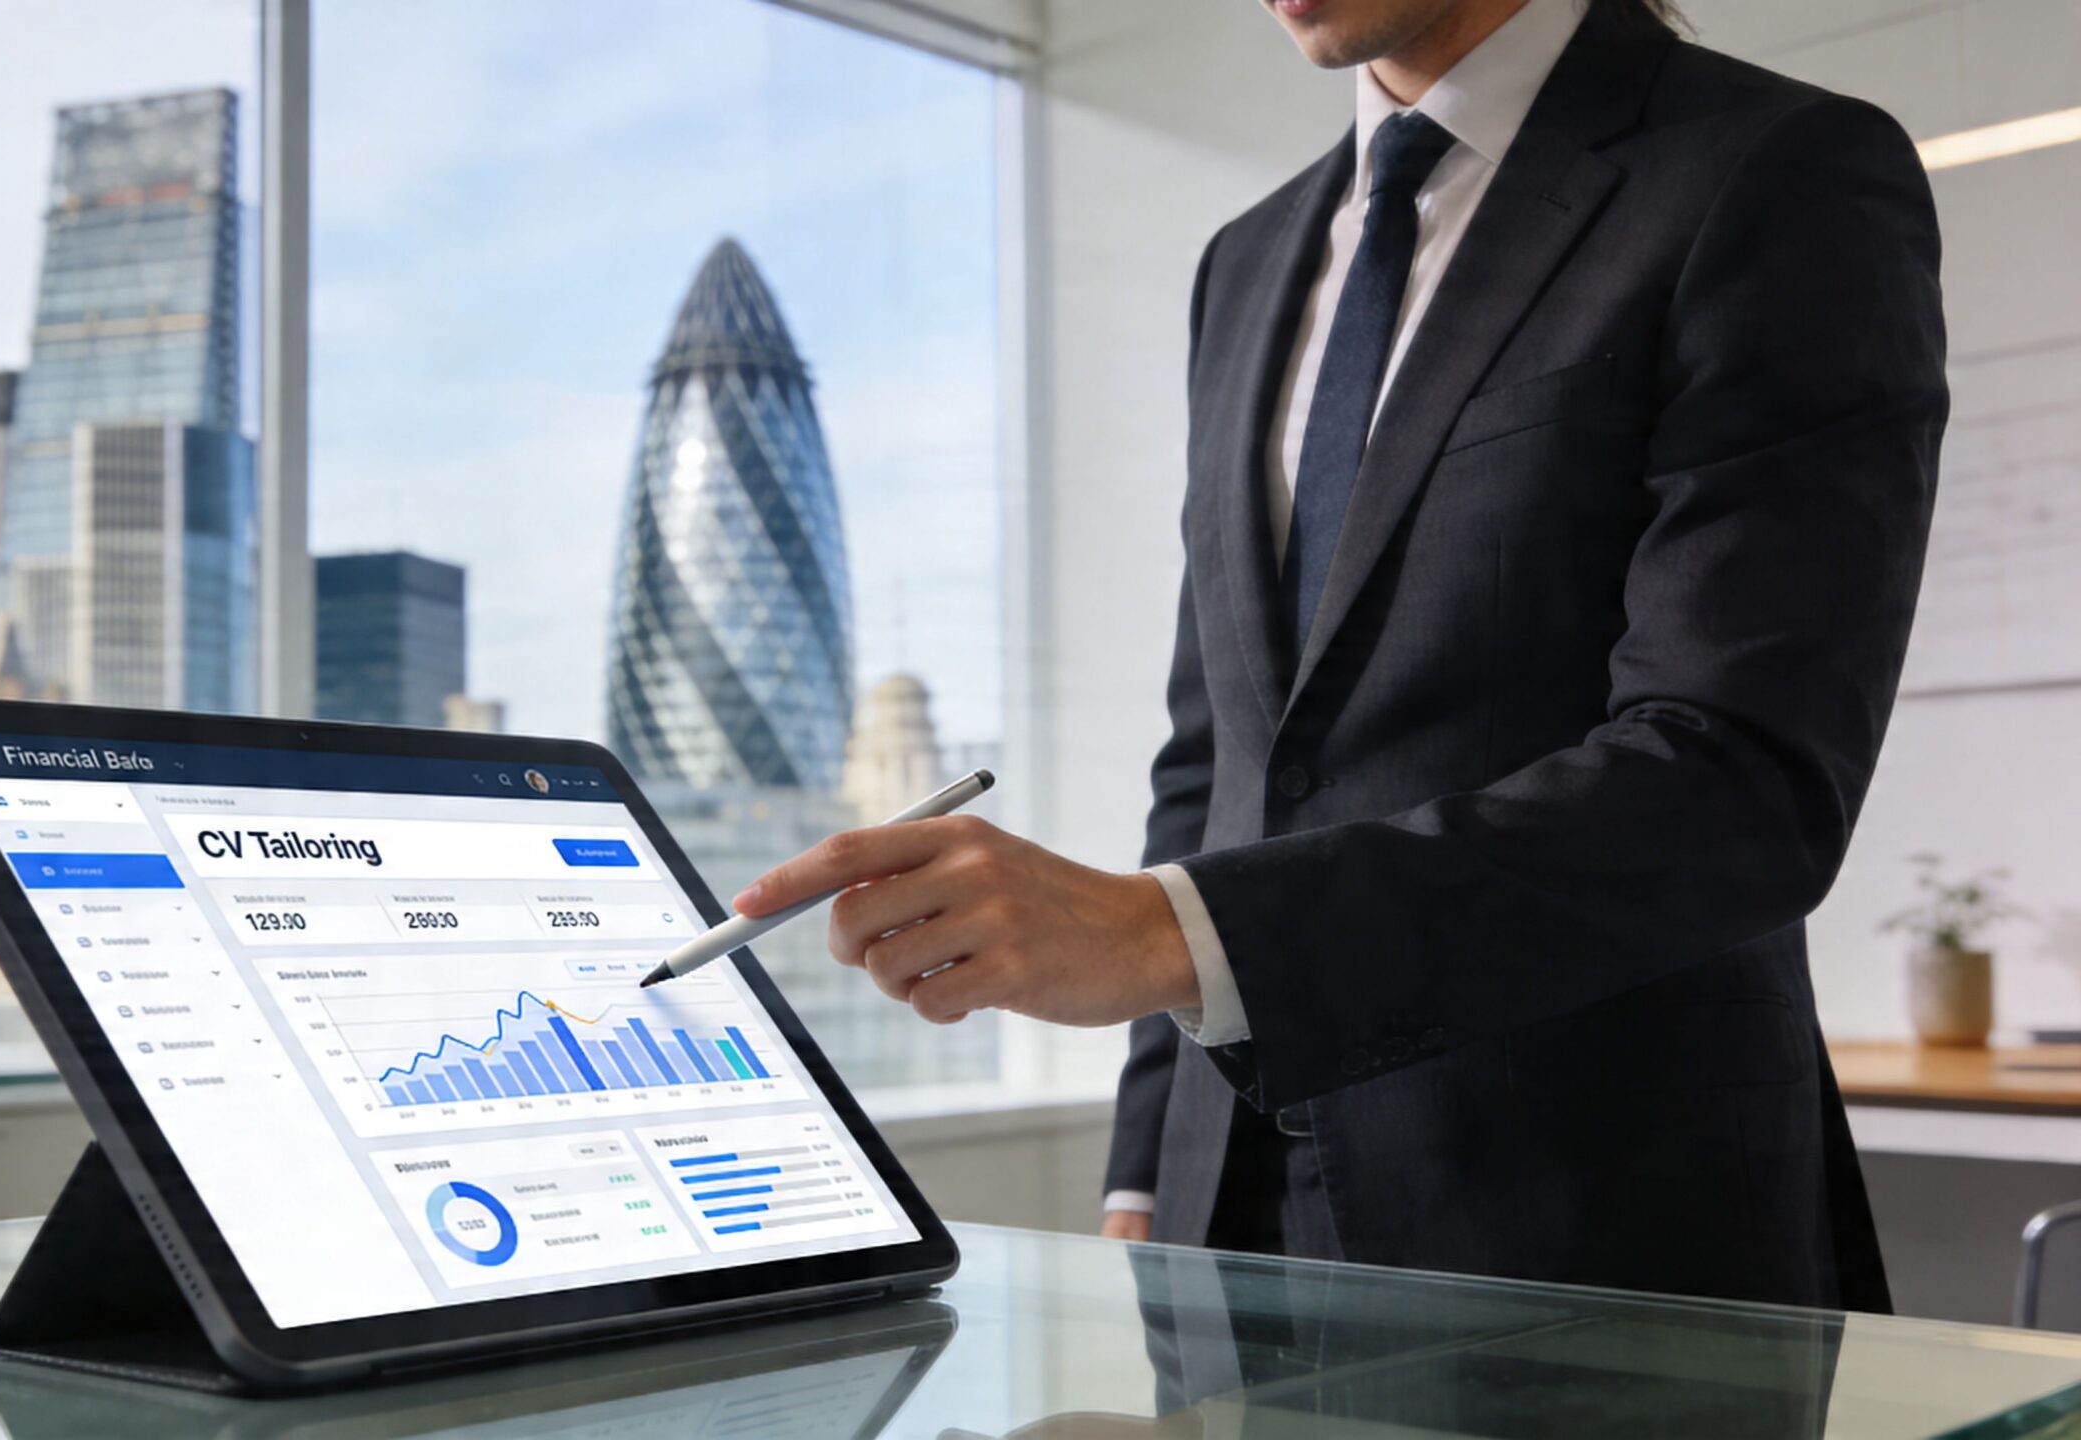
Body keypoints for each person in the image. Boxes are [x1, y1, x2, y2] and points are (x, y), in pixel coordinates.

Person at [730, 0, 1943, 1309]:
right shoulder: (1247, 260)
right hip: (1226, 1212)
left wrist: (1159, 935)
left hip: (1589, 1229)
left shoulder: (1770, 169)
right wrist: (1147, 1166)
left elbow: (1738, 785)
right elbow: (1217, 758)